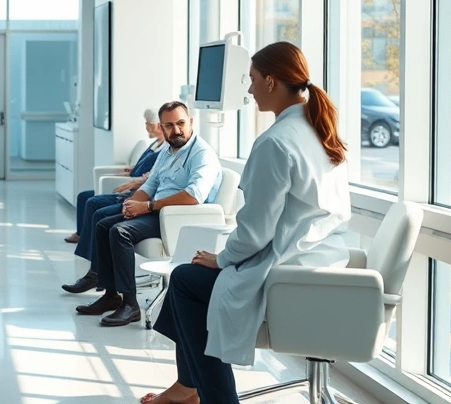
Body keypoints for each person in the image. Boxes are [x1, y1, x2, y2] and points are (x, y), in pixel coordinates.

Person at [142, 42, 351, 404]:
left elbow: (255, 232)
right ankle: (187, 389)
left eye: (252, 80)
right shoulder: (320, 131)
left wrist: (222, 259)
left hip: (286, 270)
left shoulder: (276, 142)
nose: (249, 90)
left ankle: (210, 396)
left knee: (185, 280)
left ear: (271, 82)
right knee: (188, 281)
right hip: (321, 259)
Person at [76, 101, 222, 327]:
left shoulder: (202, 154)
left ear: (191, 122)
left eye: (181, 123)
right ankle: (111, 295)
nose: (176, 130)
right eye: (169, 125)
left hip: (179, 218)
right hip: (158, 211)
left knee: (119, 231)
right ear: (162, 128)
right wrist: (133, 203)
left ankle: (130, 305)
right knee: (104, 224)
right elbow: (152, 183)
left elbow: (194, 196)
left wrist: (148, 207)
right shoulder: (167, 150)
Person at [61, 111, 166, 294]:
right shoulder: (165, 150)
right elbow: (153, 179)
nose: (172, 130)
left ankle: (103, 281)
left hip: (161, 211)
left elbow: (187, 193)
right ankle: (100, 280)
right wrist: (135, 193)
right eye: (168, 124)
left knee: (102, 214)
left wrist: (145, 203)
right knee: (96, 211)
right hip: (143, 198)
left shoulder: (190, 154)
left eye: (177, 124)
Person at [65, 108, 165, 245]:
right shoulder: (154, 145)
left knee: (92, 203)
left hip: (133, 190)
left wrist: (136, 180)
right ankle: (82, 235)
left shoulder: (165, 150)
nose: (146, 127)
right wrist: (131, 170)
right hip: (131, 183)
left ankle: (86, 240)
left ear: (159, 126)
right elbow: (144, 168)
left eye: (149, 124)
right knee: (83, 197)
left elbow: (151, 176)